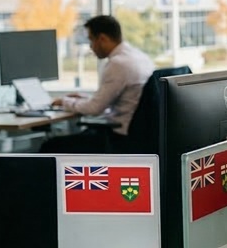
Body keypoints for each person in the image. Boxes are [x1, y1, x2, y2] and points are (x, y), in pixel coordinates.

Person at [44, 15, 154, 153]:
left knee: (50, 146)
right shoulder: (139, 57)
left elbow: (95, 109)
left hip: (118, 138)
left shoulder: (118, 64)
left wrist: (63, 101)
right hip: (137, 135)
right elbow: (113, 100)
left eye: (91, 40)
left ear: (102, 39)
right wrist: (83, 98)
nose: (91, 47)